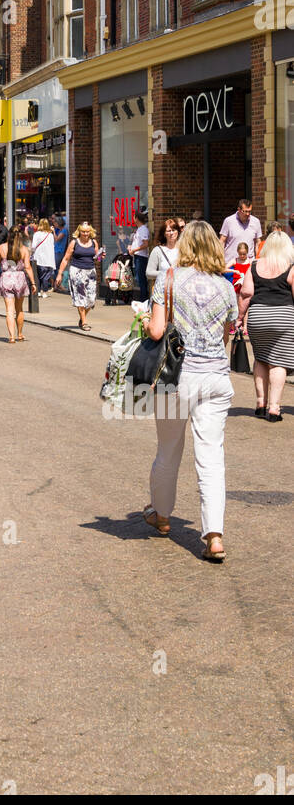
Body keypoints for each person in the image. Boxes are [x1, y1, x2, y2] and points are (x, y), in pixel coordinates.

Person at [142, 220, 237, 562]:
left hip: (175, 379)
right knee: (211, 457)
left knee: (168, 449)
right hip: (214, 379)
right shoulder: (226, 287)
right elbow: (226, 334)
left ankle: (162, 515)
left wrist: (143, 322)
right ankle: (214, 535)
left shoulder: (169, 280)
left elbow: (155, 331)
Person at [236, 228, 294, 423]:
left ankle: (261, 404)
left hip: (258, 317)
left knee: (260, 358)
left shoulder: (254, 265)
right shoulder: (291, 266)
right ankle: (275, 409)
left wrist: (240, 317)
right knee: (278, 362)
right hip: (283, 318)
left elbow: (246, 294)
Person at [55, 222, 104, 331]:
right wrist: (59, 274)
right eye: (83, 231)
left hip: (90, 272)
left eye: (87, 231)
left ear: (90, 231)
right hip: (77, 271)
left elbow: (97, 258)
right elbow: (66, 259)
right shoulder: (74, 243)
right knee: (81, 298)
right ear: (79, 231)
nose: (85, 234)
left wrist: (101, 256)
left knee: (91, 299)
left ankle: (82, 318)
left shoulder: (94, 242)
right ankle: (84, 322)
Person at [0, 226, 36, 344]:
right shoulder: (24, 249)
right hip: (19, 278)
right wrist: (33, 283)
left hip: (6, 278)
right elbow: (28, 267)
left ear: (8, 235)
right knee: (19, 309)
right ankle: (20, 334)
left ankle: (11, 336)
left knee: (9, 310)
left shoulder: (2, 248)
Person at [219, 198, 261, 267]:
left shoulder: (256, 221)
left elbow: (258, 242)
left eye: (250, 211)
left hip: (248, 264)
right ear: (239, 210)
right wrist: (220, 259)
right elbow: (222, 241)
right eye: (245, 211)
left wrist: (257, 260)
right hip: (231, 263)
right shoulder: (229, 221)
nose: (248, 214)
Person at [146, 218, 181, 295]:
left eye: (174, 230)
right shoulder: (157, 251)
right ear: (164, 234)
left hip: (180, 292)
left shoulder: (184, 250)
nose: (171, 233)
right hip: (162, 292)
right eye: (168, 231)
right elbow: (149, 273)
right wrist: (167, 274)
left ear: (178, 232)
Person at [30, 218, 56, 297]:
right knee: (45, 277)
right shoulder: (50, 235)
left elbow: (33, 246)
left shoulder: (37, 234)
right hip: (49, 259)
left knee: (38, 276)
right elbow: (52, 246)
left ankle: (38, 291)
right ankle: (44, 292)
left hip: (39, 258)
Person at [127, 211, 150, 301]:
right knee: (139, 278)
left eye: (134, 217)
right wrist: (131, 247)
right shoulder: (139, 229)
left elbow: (145, 244)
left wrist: (134, 250)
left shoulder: (143, 229)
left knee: (141, 278)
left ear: (136, 218)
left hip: (141, 257)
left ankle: (143, 299)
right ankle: (143, 297)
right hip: (138, 256)